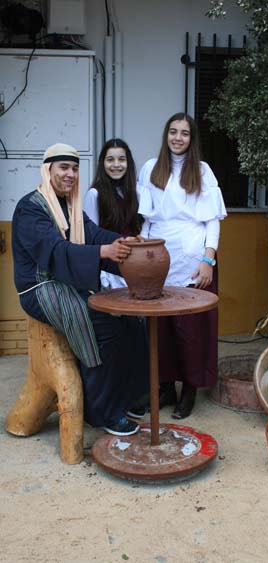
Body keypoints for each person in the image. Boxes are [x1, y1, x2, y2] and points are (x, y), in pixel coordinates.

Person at [11, 143, 149, 436]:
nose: (71, 174)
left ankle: (126, 397)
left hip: (67, 282)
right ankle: (102, 413)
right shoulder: (30, 208)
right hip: (40, 287)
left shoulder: (70, 208)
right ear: (48, 171)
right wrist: (103, 252)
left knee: (131, 318)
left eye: (75, 168)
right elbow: (55, 251)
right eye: (64, 168)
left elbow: (95, 235)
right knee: (101, 322)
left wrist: (126, 245)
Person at [137, 113, 227, 419]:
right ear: (166, 135)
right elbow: (146, 221)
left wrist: (208, 260)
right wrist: (142, 257)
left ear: (192, 138)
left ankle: (189, 390)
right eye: (173, 132)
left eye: (184, 133)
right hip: (158, 263)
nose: (178, 137)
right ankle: (164, 388)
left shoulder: (202, 171)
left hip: (192, 262)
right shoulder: (151, 168)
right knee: (159, 331)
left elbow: (212, 221)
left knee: (190, 331)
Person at [83, 138, 143, 289]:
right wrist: (101, 273)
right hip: (108, 272)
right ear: (102, 163)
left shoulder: (136, 192)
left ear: (128, 163)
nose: (116, 165)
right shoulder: (94, 194)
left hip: (135, 267)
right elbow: (90, 236)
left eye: (121, 159)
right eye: (110, 159)